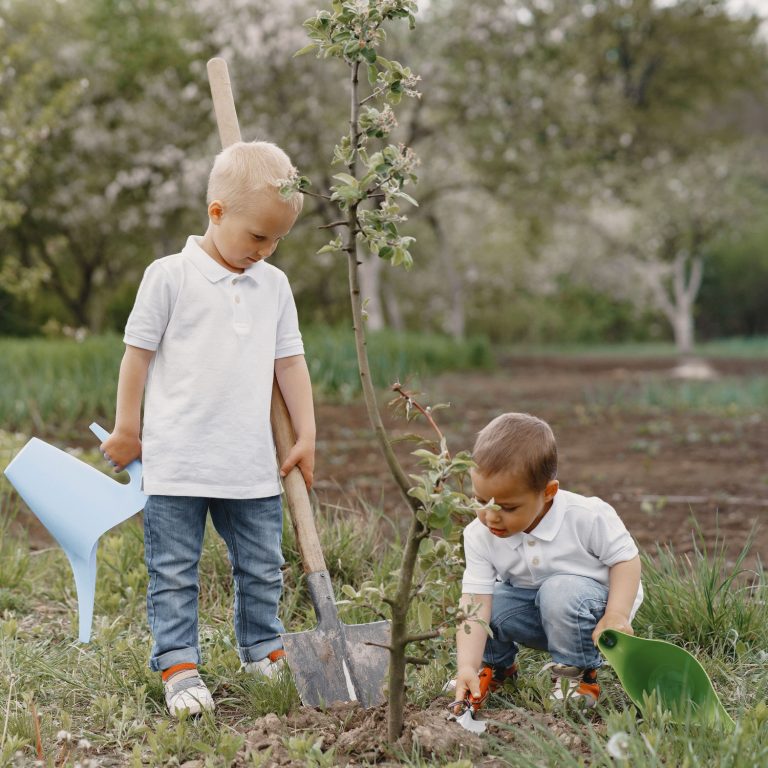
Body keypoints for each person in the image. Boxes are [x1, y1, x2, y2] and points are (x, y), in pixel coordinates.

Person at [100, 141, 315, 717]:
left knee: (262, 564)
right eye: (256, 237)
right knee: (173, 570)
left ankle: (262, 650)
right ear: (216, 213)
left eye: (276, 240)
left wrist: (307, 433)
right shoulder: (170, 276)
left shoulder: (273, 285)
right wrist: (127, 428)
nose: (265, 251)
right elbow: (136, 356)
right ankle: (178, 663)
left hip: (250, 464)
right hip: (178, 462)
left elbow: (290, 363)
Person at [451, 412, 643, 711]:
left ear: (548, 493)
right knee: (492, 601)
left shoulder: (586, 515)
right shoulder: (479, 534)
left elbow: (626, 560)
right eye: (480, 502)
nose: (490, 516)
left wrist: (616, 615)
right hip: (537, 613)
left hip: (593, 615)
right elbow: (475, 602)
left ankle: (577, 675)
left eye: (508, 507)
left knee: (559, 591)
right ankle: (493, 669)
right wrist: (465, 664)